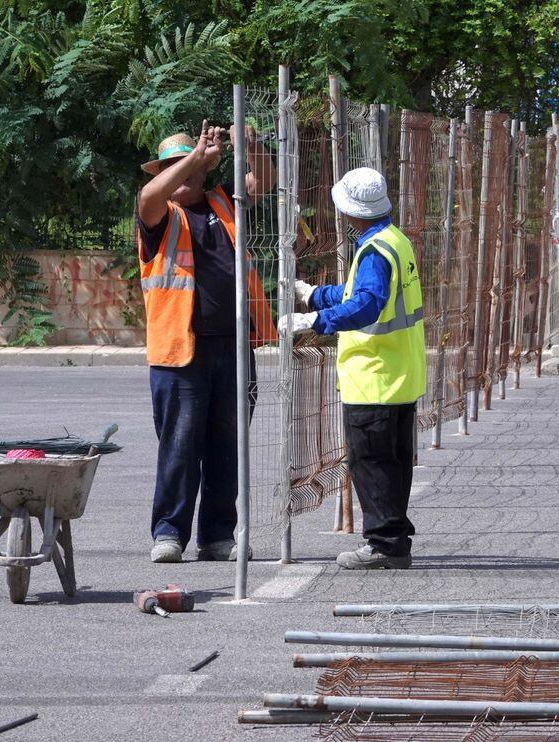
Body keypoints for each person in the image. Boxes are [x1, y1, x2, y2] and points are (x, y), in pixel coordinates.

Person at [137, 121, 275, 563]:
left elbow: (265, 181)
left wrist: (250, 144)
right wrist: (196, 156)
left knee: (226, 447)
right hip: (180, 351)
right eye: (172, 167)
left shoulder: (222, 201)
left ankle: (218, 535)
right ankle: (168, 532)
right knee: (179, 446)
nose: (181, 173)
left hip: (233, 347)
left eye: (187, 165)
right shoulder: (159, 216)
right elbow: (148, 197)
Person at [279, 167, 426, 569]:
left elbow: (367, 304)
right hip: (400, 374)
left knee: (372, 463)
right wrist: (314, 296)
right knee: (392, 464)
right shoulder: (393, 241)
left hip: (374, 375)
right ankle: (394, 541)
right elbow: (355, 292)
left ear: (351, 211)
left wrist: (314, 322)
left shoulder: (374, 250)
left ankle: (383, 543)